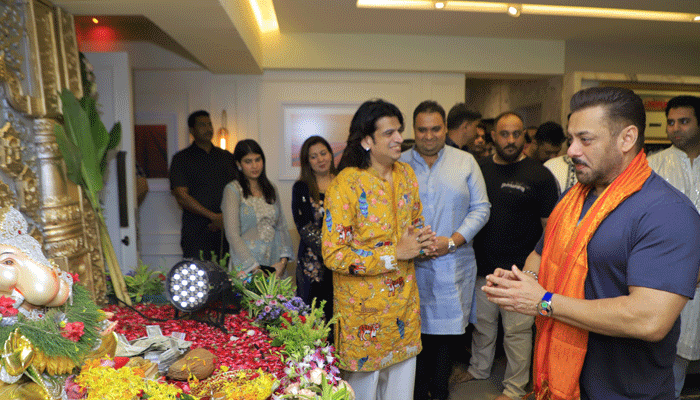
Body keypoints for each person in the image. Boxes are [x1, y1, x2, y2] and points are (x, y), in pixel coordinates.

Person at [483, 87, 700, 400]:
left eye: (585, 140)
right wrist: (524, 283)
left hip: (624, 390)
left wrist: (543, 301)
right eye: (571, 139)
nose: (571, 150)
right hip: (560, 380)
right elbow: (539, 254)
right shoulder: (573, 200)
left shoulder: (666, 211)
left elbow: (650, 319)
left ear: (626, 139)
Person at [323, 99, 436, 400]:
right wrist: (393, 254)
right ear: (366, 141)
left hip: (404, 312)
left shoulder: (406, 175)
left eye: (399, 130)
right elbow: (333, 254)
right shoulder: (345, 184)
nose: (399, 138)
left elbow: (415, 222)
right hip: (363, 318)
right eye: (389, 133)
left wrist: (422, 241)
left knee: (401, 393)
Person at [462, 111, 559, 400]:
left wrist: (537, 270)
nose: (511, 140)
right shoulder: (479, 169)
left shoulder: (540, 175)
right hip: (483, 267)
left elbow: (550, 229)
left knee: (517, 333)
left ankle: (515, 389)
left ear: (524, 137)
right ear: (493, 136)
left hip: (520, 273)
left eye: (517, 134)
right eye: (504, 134)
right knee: (483, 327)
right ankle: (479, 369)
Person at [400, 100, 490, 400]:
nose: (428, 136)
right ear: (414, 130)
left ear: (445, 129)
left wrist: (452, 241)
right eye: (422, 130)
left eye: (435, 129)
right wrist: (411, 244)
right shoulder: (399, 164)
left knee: (445, 341)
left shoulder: (465, 162)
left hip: (453, 265)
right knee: (413, 338)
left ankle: (440, 393)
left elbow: (481, 208)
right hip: (409, 268)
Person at [648, 95, 700, 399]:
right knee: (668, 356)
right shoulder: (652, 166)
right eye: (670, 122)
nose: (675, 128)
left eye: (684, 121)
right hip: (666, 276)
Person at [222, 139, 294, 277]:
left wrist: (283, 262)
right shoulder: (233, 190)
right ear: (239, 164)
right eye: (248, 161)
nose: (254, 166)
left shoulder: (271, 188)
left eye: (257, 160)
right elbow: (232, 235)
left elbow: (282, 226)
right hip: (247, 265)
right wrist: (255, 268)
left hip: (274, 263)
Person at [170, 110, 235, 260]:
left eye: (210, 124)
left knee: (227, 274)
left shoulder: (227, 157)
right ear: (192, 130)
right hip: (196, 233)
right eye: (202, 125)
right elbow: (181, 196)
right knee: (198, 273)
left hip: (226, 232)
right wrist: (213, 217)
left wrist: (224, 218)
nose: (208, 128)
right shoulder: (181, 159)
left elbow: (239, 191)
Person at [292, 135, 337, 325]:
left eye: (323, 153)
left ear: (331, 154)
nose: (320, 159)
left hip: (344, 263)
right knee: (313, 320)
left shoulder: (344, 182)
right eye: (313, 156)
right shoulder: (301, 187)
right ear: (307, 162)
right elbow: (304, 226)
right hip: (313, 265)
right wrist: (332, 250)